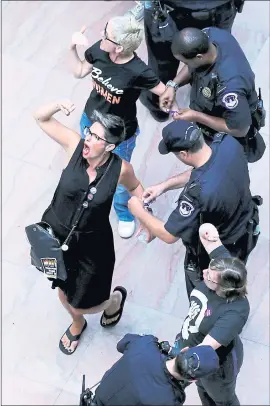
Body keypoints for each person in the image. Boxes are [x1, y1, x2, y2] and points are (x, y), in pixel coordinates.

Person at [32, 100, 150, 355]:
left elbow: (136, 189)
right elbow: (40, 118)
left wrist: (146, 220)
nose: (88, 139)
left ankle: (112, 302)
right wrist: (56, 106)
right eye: (89, 132)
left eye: (96, 137)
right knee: (63, 291)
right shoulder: (74, 145)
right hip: (56, 233)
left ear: (109, 146)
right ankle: (77, 323)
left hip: (93, 246)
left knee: (89, 301)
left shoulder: (121, 169)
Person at [128, 120, 261, 297]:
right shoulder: (228, 143)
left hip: (219, 247)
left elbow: (169, 235)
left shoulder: (197, 194)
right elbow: (205, 170)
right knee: (234, 276)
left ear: (183, 154)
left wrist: (138, 210)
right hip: (247, 226)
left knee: (208, 293)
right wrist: (164, 186)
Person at [69, 16, 167, 238]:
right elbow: (79, 71)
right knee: (88, 163)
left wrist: (174, 106)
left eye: (107, 35)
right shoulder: (101, 50)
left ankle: (124, 213)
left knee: (121, 178)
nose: (102, 35)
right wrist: (71, 48)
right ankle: (89, 197)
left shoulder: (138, 70)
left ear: (120, 47)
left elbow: (162, 91)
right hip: (90, 121)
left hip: (119, 135)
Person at [170, 222, 250, 406]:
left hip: (216, 366)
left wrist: (175, 365)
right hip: (189, 342)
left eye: (209, 277)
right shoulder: (223, 266)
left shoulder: (235, 312)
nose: (205, 272)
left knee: (222, 399)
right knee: (203, 392)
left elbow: (203, 352)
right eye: (209, 269)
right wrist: (208, 230)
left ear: (224, 288)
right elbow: (205, 233)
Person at [160, 26, 263, 154]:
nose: (185, 65)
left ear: (199, 57)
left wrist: (196, 116)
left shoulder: (230, 88)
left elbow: (240, 130)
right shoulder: (210, 35)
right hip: (208, 105)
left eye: (185, 62)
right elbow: (192, 67)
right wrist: (173, 85)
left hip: (225, 128)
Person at [141, 0, 245, 121]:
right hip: (218, 8)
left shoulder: (238, 82)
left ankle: (159, 107)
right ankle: (197, 89)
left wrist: (197, 116)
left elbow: (239, 127)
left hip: (171, 9)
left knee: (162, 64)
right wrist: (173, 85)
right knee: (208, 60)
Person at [91, 334, 219, 405]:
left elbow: (121, 344)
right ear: (193, 380)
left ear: (184, 350)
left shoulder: (146, 345)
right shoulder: (170, 400)